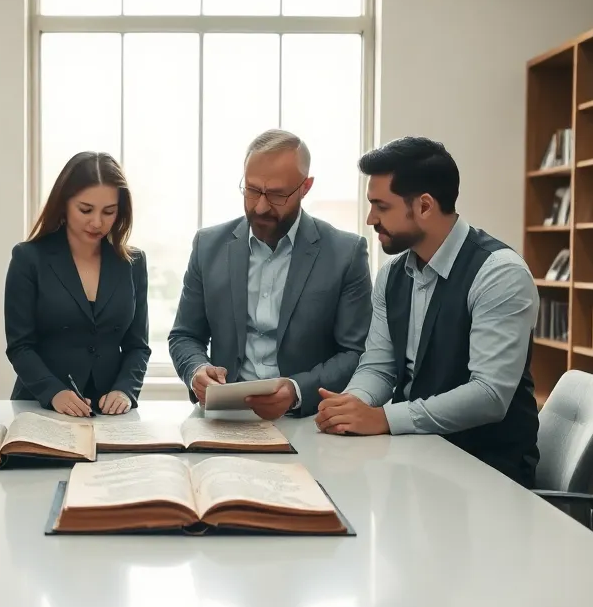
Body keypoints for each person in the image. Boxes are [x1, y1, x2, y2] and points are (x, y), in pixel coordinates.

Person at [316, 136, 541, 492]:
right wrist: (350, 406)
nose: (370, 218)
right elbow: (379, 367)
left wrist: (383, 418)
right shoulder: (391, 275)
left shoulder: (500, 273)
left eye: (381, 206)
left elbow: (488, 395)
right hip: (414, 464)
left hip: (488, 476)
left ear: (424, 206)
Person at [168, 129, 372, 420]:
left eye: (277, 194)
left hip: (306, 422)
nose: (261, 206)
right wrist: (196, 370)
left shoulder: (346, 253)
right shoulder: (208, 246)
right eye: (252, 190)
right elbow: (185, 335)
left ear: (305, 187)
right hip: (223, 420)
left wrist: (296, 391)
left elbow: (356, 352)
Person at [5, 151, 149, 417]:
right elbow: (20, 346)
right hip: (42, 406)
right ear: (64, 204)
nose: (97, 222)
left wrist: (125, 390)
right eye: (85, 210)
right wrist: (54, 392)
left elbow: (138, 345)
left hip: (110, 412)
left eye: (109, 212)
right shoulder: (28, 258)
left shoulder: (133, 262)